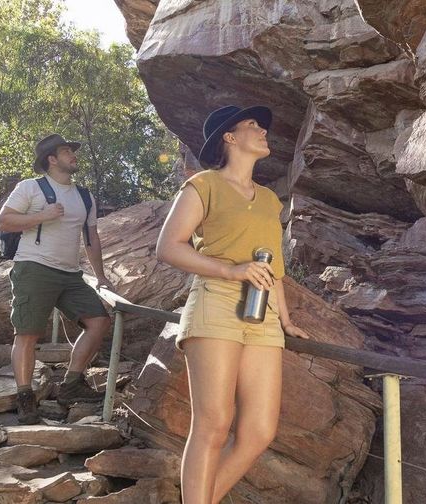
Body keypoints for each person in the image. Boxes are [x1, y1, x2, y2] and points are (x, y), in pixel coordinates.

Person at [155, 105, 311, 504]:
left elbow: (272, 268)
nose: (263, 131)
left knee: (259, 430)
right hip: (216, 301)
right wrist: (231, 271)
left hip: (264, 314)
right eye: (252, 125)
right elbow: (168, 247)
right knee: (213, 424)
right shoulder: (203, 185)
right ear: (229, 137)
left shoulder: (270, 200)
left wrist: (287, 319)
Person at [0, 133, 116, 425]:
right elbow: (4, 221)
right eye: (66, 152)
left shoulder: (85, 196)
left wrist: (100, 277)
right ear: (51, 159)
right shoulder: (30, 188)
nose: (73, 156)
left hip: (71, 273)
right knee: (27, 333)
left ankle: (71, 383)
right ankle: (26, 397)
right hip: (33, 267)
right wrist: (42, 216)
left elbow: (91, 238)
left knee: (99, 321)